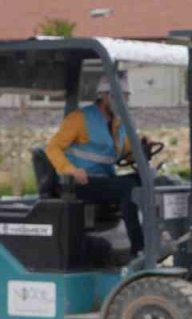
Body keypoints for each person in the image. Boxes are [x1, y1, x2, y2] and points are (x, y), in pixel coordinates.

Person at [44, 72, 145, 256]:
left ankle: (156, 236)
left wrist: (142, 149)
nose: (125, 102)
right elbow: (53, 147)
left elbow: (126, 154)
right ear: (105, 96)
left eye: (127, 97)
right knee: (128, 188)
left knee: (145, 182)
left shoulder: (120, 123)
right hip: (78, 183)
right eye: (120, 97)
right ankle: (139, 249)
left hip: (104, 181)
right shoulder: (80, 119)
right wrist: (70, 171)